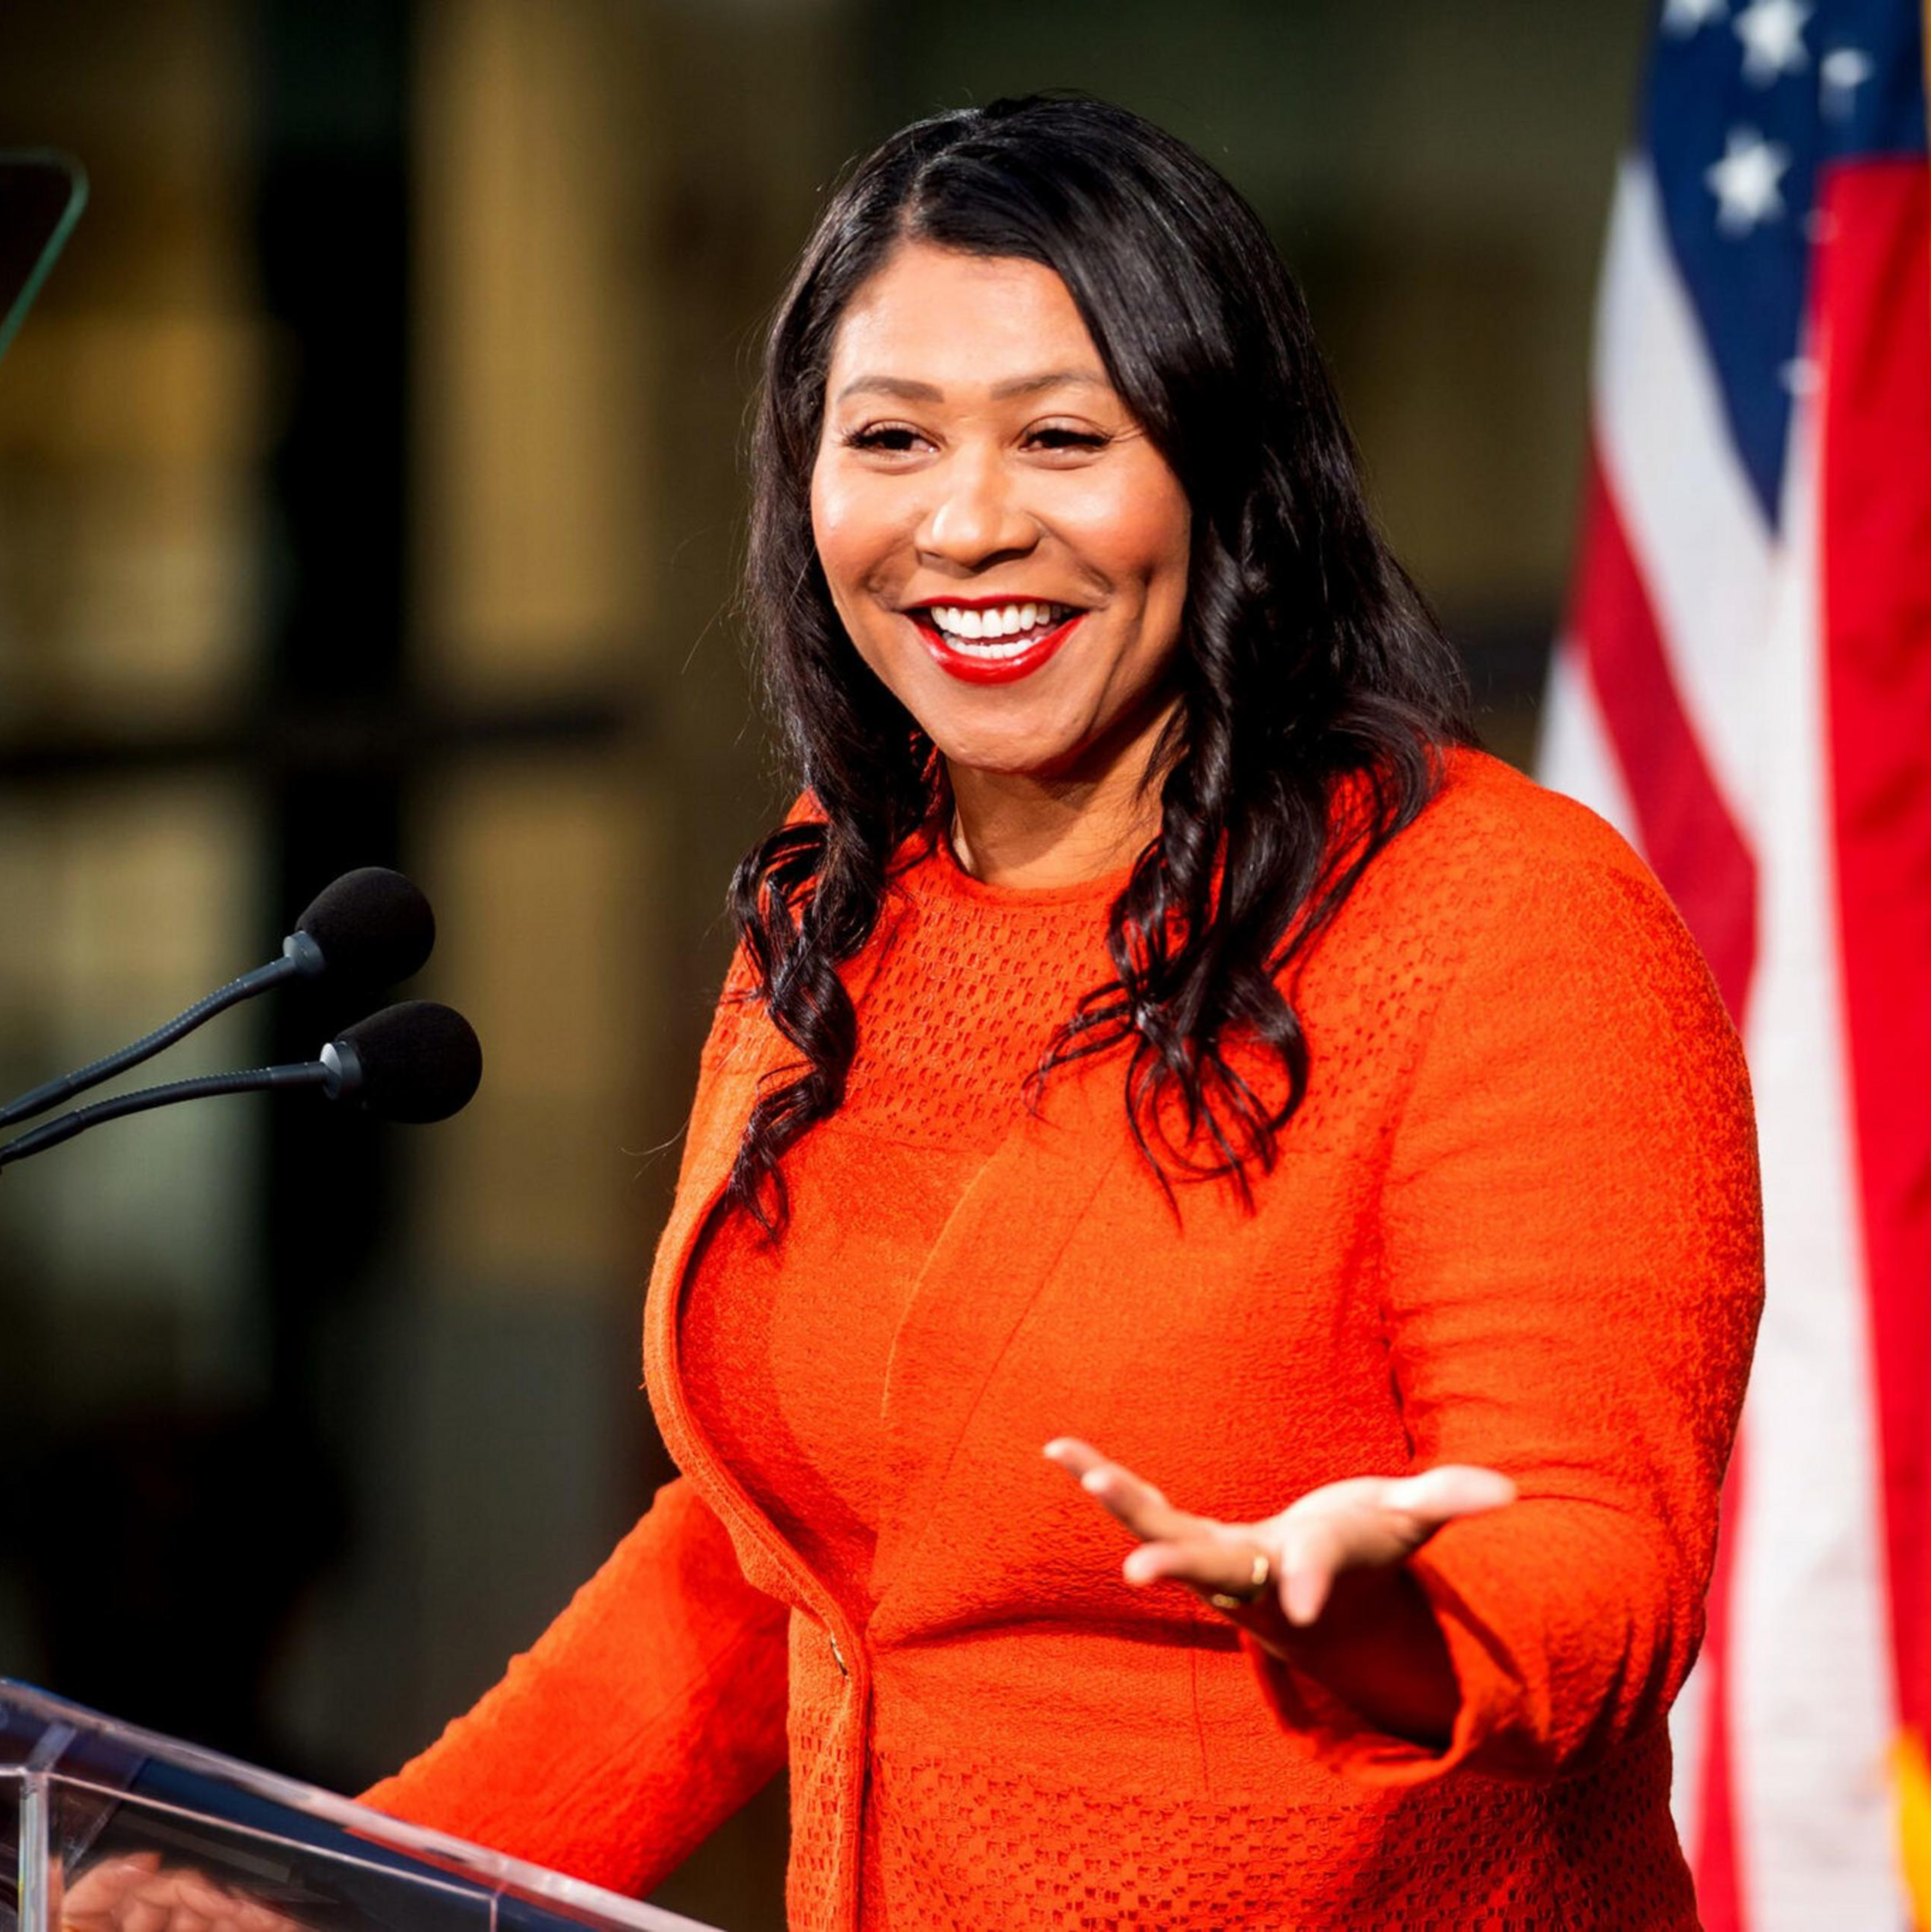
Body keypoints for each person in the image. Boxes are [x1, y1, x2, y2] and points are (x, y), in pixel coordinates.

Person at [360, 94, 1763, 1930]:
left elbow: (1599, 1554)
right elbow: (763, 1555)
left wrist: (1383, 1622)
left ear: (1228, 474)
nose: (965, 523)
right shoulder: (841, 891)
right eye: (889, 440)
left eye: (1060, 439)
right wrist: (337, 1886)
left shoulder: (1504, 919)